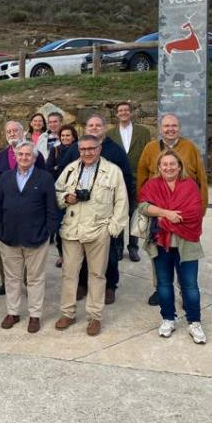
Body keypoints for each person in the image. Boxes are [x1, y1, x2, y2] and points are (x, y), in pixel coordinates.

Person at [57, 114, 135, 305]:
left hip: (104, 217)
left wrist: (116, 219)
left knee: (110, 256)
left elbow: (125, 180)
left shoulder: (115, 151)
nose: (93, 128)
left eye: (97, 125)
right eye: (90, 125)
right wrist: (67, 197)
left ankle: (110, 287)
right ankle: (82, 284)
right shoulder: (76, 150)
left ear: (104, 127)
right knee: (79, 257)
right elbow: (61, 176)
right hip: (78, 216)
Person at [55, 135, 128, 337]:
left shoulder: (113, 172)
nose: (87, 152)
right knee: (69, 274)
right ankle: (67, 313)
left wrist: (112, 229)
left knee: (97, 274)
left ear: (99, 148)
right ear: (79, 150)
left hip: (98, 230)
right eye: (83, 149)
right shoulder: (70, 170)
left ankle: (95, 317)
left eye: (91, 148)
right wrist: (65, 198)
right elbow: (57, 191)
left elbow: (122, 202)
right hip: (72, 229)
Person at [137, 113, 208, 306]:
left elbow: (201, 178)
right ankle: (161, 289)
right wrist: (144, 206)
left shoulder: (190, 147)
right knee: (159, 254)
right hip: (158, 212)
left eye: (174, 126)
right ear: (161, 128)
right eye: (166, 126)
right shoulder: (150, 148)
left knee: (185, 256)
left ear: (179, 128)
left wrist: (200, 211)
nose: (170, 129)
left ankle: (186, 292)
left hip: (183, 214)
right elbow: (142, 175)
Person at [137, 150, 207, 344]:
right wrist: (166, 213)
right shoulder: (152, 185)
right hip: (161, 242)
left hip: (187, 243)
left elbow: (194, 213)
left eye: (172, 164)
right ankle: (168, 318)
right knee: (164, 283)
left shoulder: (190, 185)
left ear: (179, 166)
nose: (168, 167)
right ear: (159, 167)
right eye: (164, 164)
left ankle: (194, 322)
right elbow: (143, 206)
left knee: (190, 285)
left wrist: (161, 217)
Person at [0, 141, 59, 334]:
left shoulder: (45, 178)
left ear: (35, 158)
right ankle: (12, 312)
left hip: (36, 238)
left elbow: (51, 209)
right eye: (20, 154)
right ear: (16, 156)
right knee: (12, 278)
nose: (24, 157)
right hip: (9, 238)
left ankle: (35, 315)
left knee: (35, 278)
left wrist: (48, 232)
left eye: (28, 155)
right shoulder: (5, 177)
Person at [0, 120, 46, 294]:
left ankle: (28, 281)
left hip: (30, 213)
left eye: (15, 130)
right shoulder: (1, 156)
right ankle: (6, 282)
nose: (12, 133)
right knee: (6, 249)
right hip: (8, 212)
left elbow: (44, 181)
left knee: (29, 250)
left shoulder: (35, 155)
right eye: (8, 131)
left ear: (23, 132)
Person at [106, 102, 151, 262]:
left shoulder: (143, 132)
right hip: (117, 180)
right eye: (120, 110)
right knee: (118, 214)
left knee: (135, 215)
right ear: (117, 114)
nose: (123, 112)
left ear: (131, 113)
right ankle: (118, 248)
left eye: (126, 110)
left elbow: (149, 156)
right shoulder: (110, 134)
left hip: (137, 180)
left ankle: (133, 248)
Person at [48, 124, 78, 267]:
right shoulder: (54, 151)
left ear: (73, 137)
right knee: (60, 226)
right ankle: (62, 255)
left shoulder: (79, 150)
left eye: (68, 135)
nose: (65, 138)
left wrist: (58, 168)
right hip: (59, 193)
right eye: (63, 136)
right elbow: (49, 170)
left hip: (75, 193)